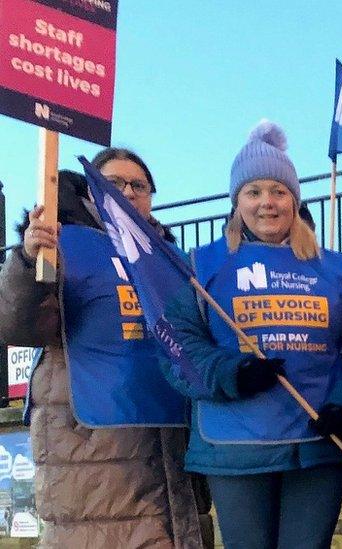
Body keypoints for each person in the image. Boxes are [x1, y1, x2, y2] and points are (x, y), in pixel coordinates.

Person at [160, 121, 342, 548]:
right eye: (253, 192)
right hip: (236, 449)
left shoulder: (334, 267)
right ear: (236, 201)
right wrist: (231, 372)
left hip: (317, 443)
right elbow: (177, 345)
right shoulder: (203, 265)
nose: (267, 203)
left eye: (278, 191)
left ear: (294, 200)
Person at [0, 149, 207, 548]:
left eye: (139, 185)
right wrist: (28, 263)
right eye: (114, 184)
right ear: (92, 193)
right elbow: (16, 324)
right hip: (92, 447)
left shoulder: (170, 262)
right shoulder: (59, 245)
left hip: (166, 440)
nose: (128, 193)